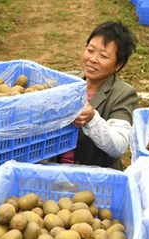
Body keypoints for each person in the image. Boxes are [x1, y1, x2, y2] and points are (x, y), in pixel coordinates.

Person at [58, 20, 137, 170]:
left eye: (104, 56)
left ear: (118, 65)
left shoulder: (124, 94)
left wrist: (92, 119)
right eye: (90, 50)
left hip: (96, 178)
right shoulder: (66, 81)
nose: (93, 59)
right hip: (52, 171)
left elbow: (118, 145)